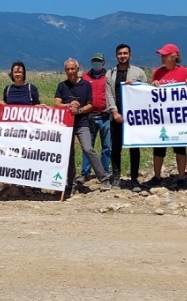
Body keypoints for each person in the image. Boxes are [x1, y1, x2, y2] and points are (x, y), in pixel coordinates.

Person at [55, 58, 112, 197]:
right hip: (67, 124)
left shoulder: (86, 85)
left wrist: (79, 110)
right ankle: (70, 182)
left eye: (73, 69)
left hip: (82, 123)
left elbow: (90, 105)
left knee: (88, 148)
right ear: (65, 71)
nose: (70, 72)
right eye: (68, 69)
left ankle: (103, 178)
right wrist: (68, 106)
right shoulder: (62, 86)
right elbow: (57, 103)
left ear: (77, 68)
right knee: (69, 153)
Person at [147, 44, 187, 190]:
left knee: (180, 148)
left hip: (179, 118)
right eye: (161, 55)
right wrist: (153, 85)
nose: (161, 57)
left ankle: (181, 178)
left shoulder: (184, 72)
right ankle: (157, 176)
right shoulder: (157, 72)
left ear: (174, 56)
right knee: (159, 148)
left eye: (164, 55)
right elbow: (150, 93)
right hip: (162, 117)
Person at [105, 44, 148, 192]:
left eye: (125, 53)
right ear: (116, 55)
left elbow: (146, 92)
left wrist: (136, 85)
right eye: (120, 54)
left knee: (134, 148)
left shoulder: (139, 72)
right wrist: (114, 112)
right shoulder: (110, 74)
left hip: (134, 118)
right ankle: (116, 176)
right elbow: (109, 94)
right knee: (115, 148)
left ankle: (134, 178)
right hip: (117, 116)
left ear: (130, 55)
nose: (122, 56)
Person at [1, 61, 40, 198]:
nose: (18, 74)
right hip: (11, 131)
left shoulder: (31, 88)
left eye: (20, 71)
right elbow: (5, 106)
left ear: (24, 73)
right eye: (15, 71)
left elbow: (37, 106)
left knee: (26, 157)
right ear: (12, 74)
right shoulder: (8, 89)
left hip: (27, 130)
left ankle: (28, 186)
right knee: (11, 157)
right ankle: (13, 186)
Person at [79, 53, 111, 183]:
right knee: (88, 146)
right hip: (90, 116)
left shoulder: (108, 76)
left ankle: (105, 172)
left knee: (107, 147)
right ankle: (85, 172)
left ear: (103, 62)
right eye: (94, 61)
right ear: (91, 63)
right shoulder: (85, 77)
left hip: (105, 116)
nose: (96, 63)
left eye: (99, 61)